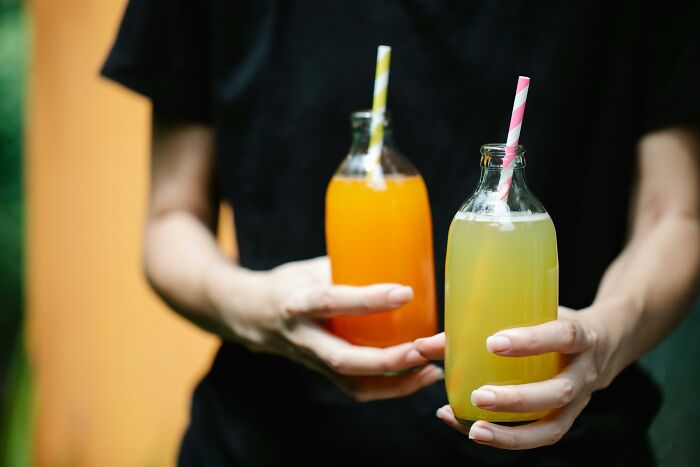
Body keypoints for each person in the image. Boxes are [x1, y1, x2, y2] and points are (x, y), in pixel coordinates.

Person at [102, 1, 700, 465]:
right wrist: (255, 307)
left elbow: (676, 215)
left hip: (572, 447)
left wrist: (605, 336)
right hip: (270, 440)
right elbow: (170, 218)